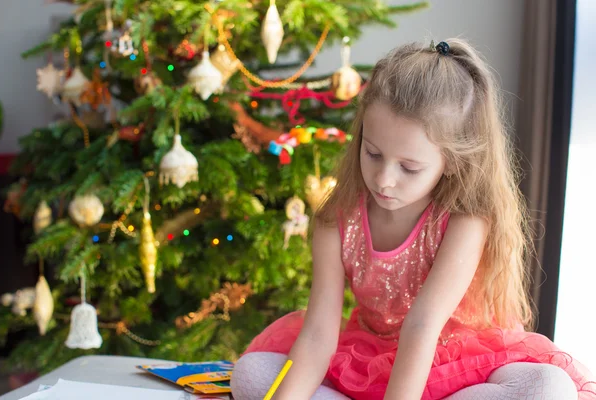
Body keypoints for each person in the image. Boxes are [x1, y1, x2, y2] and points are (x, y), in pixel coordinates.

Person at [229, 39, 596, 400]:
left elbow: (422, 327)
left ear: (451, 162)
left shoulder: (464, 222)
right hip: (370, 363)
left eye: (409, 167)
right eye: (372, 153)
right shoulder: (335, 220)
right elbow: (318, 335)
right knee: (250, 375)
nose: (384, 179)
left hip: (456, 369)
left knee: (549, 387)